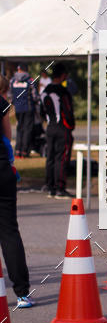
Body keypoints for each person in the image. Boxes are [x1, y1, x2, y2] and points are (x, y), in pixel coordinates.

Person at [0, 80, 33, 306]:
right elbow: (7, 136)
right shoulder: (1, 103)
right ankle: (22, 293)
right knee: (9, 232)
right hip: (1, 168)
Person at [42, 63, 75, 199]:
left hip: (50, 127)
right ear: (62, 76)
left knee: (50, 157)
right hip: (62, 127)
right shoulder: (63, 91)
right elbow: (68, 110)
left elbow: (41, 111)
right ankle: (59, 187)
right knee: (61, 157)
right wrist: (70, 126)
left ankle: (50, 187)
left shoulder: (45, 91)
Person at [9, 62, 37, 158]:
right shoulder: (30, 80)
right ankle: (25, 152)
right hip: (29, 108)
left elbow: (10, 95)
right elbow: (35, 96)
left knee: (19, 129)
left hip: (18, 108)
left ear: (19, 69)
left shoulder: (13, 80)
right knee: (27, 130)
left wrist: (15, 102)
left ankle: (17, 151)